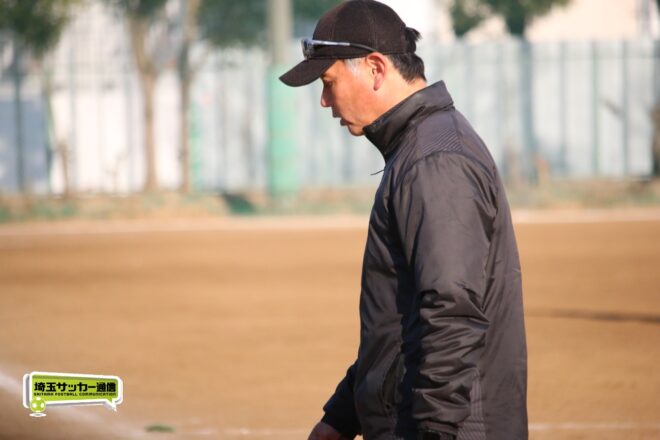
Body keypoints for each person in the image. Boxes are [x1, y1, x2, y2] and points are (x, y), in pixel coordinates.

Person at [279, 1, 528, 439]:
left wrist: (433, 431)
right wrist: (342, 416)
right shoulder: (420, 149)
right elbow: (399, 321)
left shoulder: (435, 160)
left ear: (375, 69)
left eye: (328, 82)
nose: (324, 100)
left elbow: (451, 311)